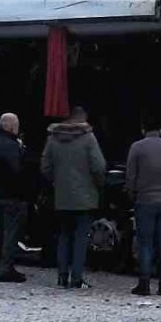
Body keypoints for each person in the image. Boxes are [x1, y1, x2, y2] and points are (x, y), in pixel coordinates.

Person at [42, 107, 106, 290]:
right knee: (80, 238)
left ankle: (62, 277)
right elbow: (99, 166)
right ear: (83, 118)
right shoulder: (88, 138)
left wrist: (56, 182)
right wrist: (98, 184)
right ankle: (76, 278)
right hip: (85, 196)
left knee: (63, 236)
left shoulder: (53, 138)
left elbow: (45, 166)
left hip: (61, 196)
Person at [125, 115, 161, 296]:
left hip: (145, 200)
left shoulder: (136, 148)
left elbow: (130, 176)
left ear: (143, 129)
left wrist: (132, 195)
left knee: (145, 243)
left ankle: (144, 284)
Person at [0, 112, 29, 283]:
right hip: (13, 195)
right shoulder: (12, 145)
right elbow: (17, 170)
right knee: (11, 233)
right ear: (10, 126)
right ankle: (6, 268)